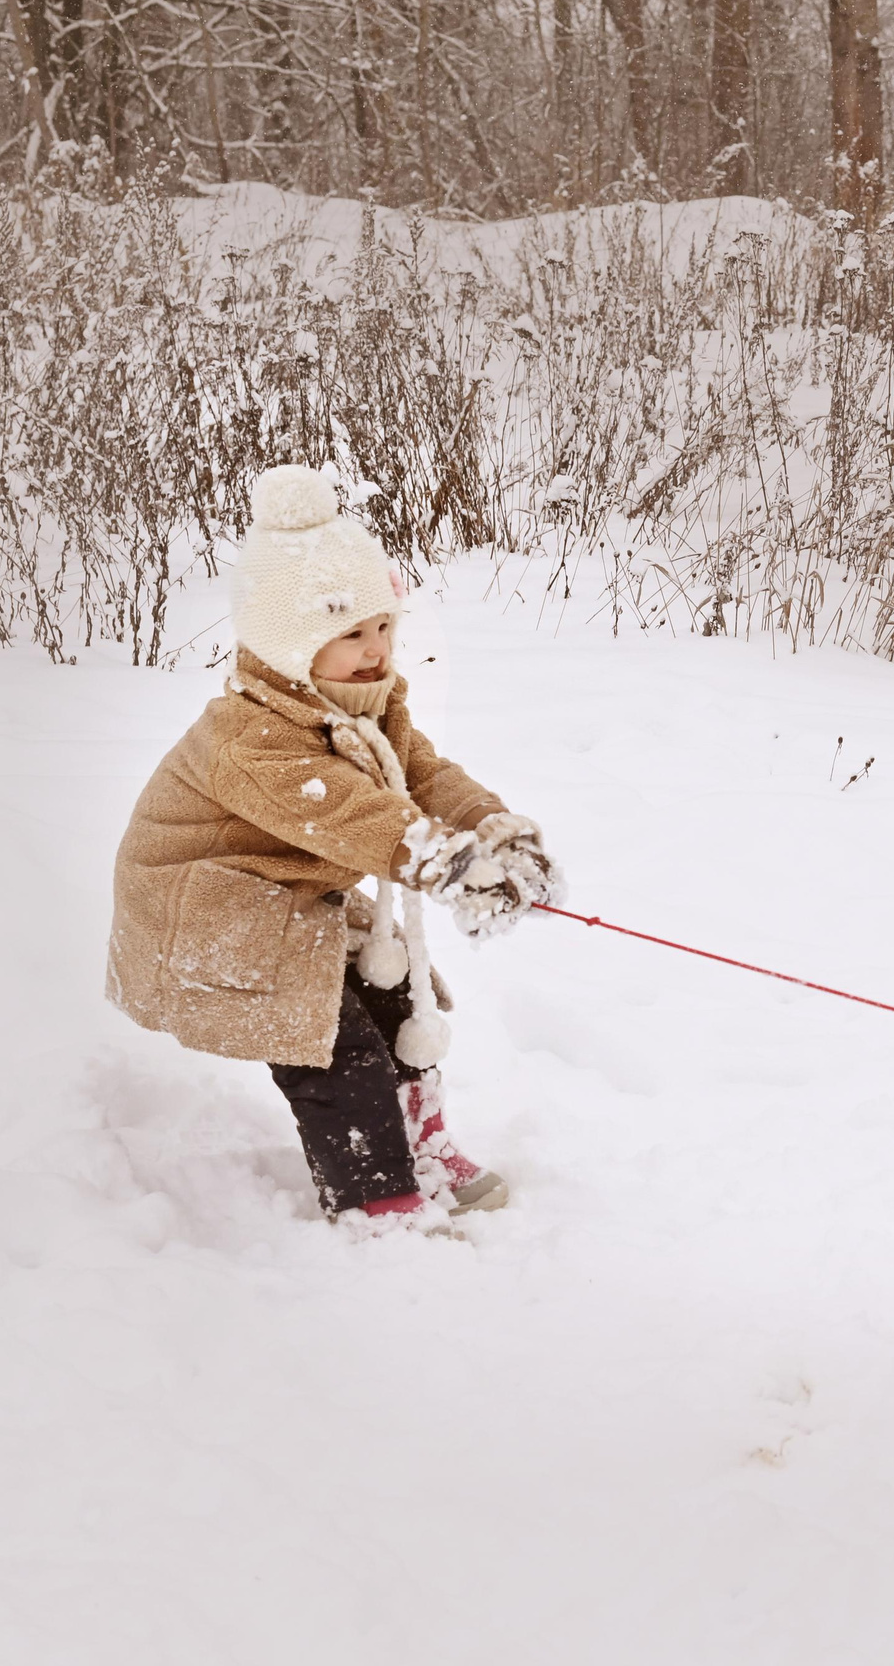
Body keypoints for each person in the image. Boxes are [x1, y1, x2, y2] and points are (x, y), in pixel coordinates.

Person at [107, 466, 561, 1235]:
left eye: (383, 625)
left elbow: (419, 772)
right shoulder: (249, 733)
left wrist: (490, 828)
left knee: (393, 1001)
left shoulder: (364, 700)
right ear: (290, 645)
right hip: (202, 903)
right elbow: (350, 813)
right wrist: (450, 865)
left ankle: (423, 1143)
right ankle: (374, 1195)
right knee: (329, 1041)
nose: (378, 648)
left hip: (282, 893)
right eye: (350, 633)